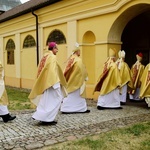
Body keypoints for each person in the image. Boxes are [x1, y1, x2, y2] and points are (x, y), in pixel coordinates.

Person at [28, 42, 67, 125]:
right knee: (58, 98)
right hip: (52, 82)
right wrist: (55, 83)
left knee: (46, 100)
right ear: (53, 48)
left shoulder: (45, 56)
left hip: (46, 82)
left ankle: (40, 115)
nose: (57, 50)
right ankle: (48, 118)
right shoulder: (52, 57)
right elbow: (52, 70)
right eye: (56, 48)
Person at [60, 43, 90, 114]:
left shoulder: (71, 59)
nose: (80, 52)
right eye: (79, 51)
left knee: (70, 95)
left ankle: (66, 108)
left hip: (70, 80)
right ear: (77, 52)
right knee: (78, 95)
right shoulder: (78, 60)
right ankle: (80, 108)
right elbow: (82, 69)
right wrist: (85, 76)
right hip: (77, 81)